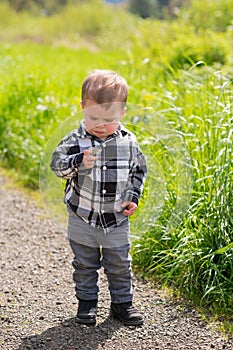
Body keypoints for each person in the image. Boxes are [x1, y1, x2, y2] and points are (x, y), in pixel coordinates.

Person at [50, 69, 147, 326]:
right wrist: (78, 162)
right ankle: (87, 303)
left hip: (115, 218)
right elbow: (57, 166)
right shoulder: (74, 141)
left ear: (122, 113)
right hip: (82, 216)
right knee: (85, 263)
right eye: (94, 117)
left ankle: (122, 304)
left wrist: (133, 196)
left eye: (110, 118)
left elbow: (138, 171)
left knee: (119, 263)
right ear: (82, 108)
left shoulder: (129, 142)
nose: (102, 125)